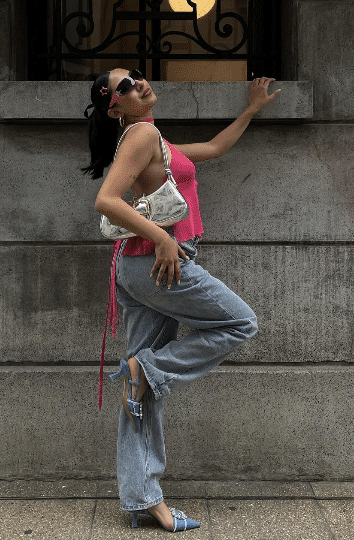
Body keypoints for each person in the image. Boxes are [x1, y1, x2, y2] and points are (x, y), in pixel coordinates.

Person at [81, 68, 278, 533]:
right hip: (158, 262)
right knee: (240, 323)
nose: (139, 84)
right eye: (125, 86)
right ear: (115, 106)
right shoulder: (141, 133)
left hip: (140, 266)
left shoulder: (155, 139)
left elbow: (213, 149)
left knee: (140, 392)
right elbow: (106, 200)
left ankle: (142, 499)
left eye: (136, 77)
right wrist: (163, 240)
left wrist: (250, 109)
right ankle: (146, 371)